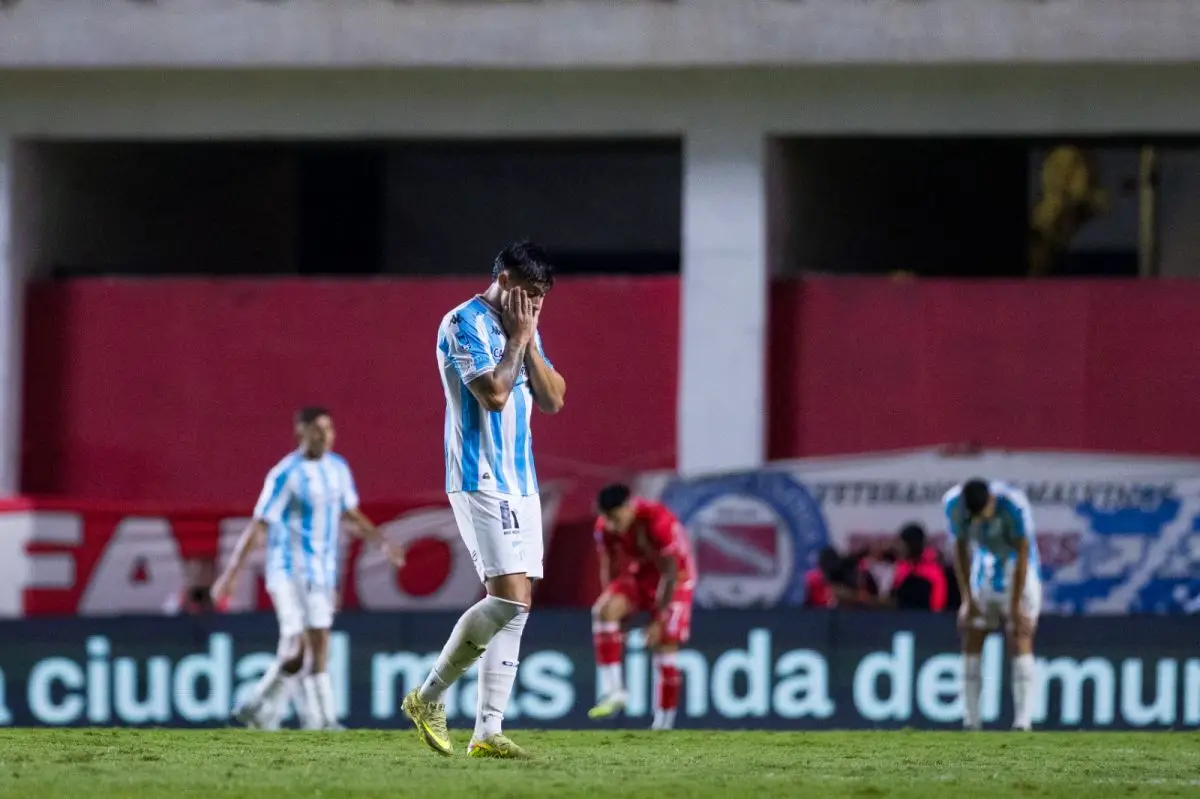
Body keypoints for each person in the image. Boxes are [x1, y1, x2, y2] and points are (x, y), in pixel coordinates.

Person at [403, 240, 566, 760]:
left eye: (542, 295)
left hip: (521, 479)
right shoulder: (462, 323)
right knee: (509, 597)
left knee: (518, 607)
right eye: (527, 291)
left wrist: (530, 339)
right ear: (502, 278)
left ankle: (487, 731)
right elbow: (494, 396)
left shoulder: (527, 329)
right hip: (479, 475)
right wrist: (518, 340)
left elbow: (555, 399)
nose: (534, 302)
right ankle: (427, 698)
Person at [212, 406, 403, 730]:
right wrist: (231, 573)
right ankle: (287, 712)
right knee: (301, 645)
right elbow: (259, 525)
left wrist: (381, 542)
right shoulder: (285, 474)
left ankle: (291, 713)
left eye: (329, 429)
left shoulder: (338, 469)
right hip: (288, 570)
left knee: (311, 649)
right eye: (318, 430)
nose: (326, 436)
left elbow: (350, 514)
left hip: (322, 573)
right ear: (301, 433)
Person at [588, 484, 696, 731]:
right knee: (603, 611)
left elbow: (670, 572)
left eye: (615, 518)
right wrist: (618, 616)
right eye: (607, 519)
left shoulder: (658, 521)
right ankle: (613, 691)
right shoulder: (605, 527)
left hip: (677, 579)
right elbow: (611, 568)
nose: (612, 525)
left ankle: (663, 723)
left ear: (629, 507)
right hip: (644, 575)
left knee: (665, 645)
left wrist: (659, 618)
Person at [943, 478, 1041, 732]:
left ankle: (1022, 721)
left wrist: (1017, 604)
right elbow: (961, 549)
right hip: (984, 569)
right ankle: (971, 720)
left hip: (1018, 571)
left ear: (991, 501)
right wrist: (967, 599)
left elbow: (1022, 553)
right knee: (972, 633)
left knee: (1019, 633)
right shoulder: (953, 504)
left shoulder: (1014, 506)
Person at [890, 523, 949, 612]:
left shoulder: (934, 570)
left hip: (927, 619)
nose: (899, 548)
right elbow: (894, 598)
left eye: (901, 544)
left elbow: (938, 604)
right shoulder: (901, 566)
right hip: (901, 618)